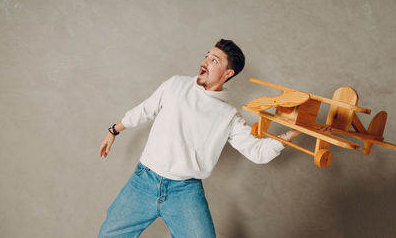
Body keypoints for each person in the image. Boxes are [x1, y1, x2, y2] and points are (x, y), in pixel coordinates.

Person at [97, 39, 330, 237]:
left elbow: (257, 152)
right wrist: (113, 130)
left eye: (214, 60)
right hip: (144, 181)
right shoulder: (176, 85)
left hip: (185, 192)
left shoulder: (228, 115)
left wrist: (297, 131)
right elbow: (144, 110)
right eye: (207, 56)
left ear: (228, 74)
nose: (205, 62)